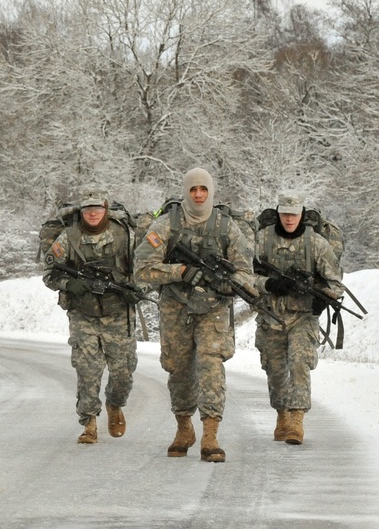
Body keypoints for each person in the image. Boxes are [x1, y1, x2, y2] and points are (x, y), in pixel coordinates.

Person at [134, 168, 257, 462]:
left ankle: (211, 435)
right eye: (193, 189)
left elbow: (245, 271)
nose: (199, 194)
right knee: (178, 369)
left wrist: (231, 283)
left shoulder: (227, 228)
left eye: (203, 189)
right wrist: (181, 271)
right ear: (186, 192)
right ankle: (184, 427)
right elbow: (142, 268)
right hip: (175, 307)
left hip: (214, 309)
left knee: (210, 365)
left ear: (211, 192)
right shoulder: (167, 226)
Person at [43, 188, 139, 444]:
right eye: (88, 209)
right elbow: (49, 273)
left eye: (98, 208)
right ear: (81, 212)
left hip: (118, 312)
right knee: (87, 371)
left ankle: (115, 404)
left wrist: (137, 290)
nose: (93, 213)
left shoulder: (125, 235)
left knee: (123, 373)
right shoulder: (69, 237)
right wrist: (68, 283)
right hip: (83, 313)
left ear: (106, 209)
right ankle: (89, 422)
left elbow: (145, 269)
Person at [253, 192, 344, 445]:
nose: (289, 219)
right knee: (274, 368)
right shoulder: (261, 240)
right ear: (278, 214)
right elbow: (242, 276)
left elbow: (335, 282)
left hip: (303, 316)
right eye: (284, 214)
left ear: (302, 214)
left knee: (299, 363)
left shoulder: (315, 244)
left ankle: (296, 419)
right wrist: (268, 283)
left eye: (293, 214)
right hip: (270, 316)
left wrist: (324, 299)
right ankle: (282, 414)